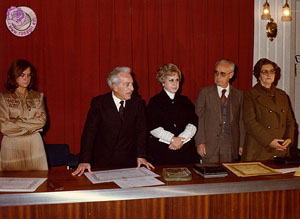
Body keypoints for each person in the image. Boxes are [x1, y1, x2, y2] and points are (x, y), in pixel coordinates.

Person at [72, 67, 154, 176]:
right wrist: (84, 160)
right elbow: (89, 133)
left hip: (129, 162)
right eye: (127, 85)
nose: (132, 88)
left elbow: (141, 132)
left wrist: (141, 155)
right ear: (115, 87)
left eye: (132, 84)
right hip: (103, 161)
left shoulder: (137, 103)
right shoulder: (99, 103)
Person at [242, 58, 295, 161]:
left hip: (281, 149)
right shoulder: (250, 95)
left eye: (272, 71)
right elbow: (250, 122)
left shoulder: (282, 95)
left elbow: (290, 121)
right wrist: (269, 141)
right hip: (259, 149)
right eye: (264, 72)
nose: (268, 74)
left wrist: (289, 138)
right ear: (258, 75)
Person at [0, 59, 48, 171]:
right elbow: (4, 126)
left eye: (28, 75)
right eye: (22, 75)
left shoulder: (38, 97)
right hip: (11, 146)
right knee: (11, 183)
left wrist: (14, 121)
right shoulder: (3, 98)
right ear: (13, 76)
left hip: (35, 145)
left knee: (39, 182)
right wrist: (31, 124)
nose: (26, 79)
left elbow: (42, 121)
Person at [194, 59, 245, 163]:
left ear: (231, 75)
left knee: (229, 176)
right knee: (209, 176)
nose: (218, 76)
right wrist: (200, 142)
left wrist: (241, 144)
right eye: (216, 72)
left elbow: (241, 121)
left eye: (222, 73)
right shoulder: (204, 92)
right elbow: (197, 118)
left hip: (230, 145)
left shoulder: (239, 95)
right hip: (209, 144)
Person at [147, 64, 198, 165]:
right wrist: (172, 139)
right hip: (163, 152)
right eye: (171, 80)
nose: (175, 84)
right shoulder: (155, 102)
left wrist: (181, 140)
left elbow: (193, 123)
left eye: (177, 80)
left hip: (186, 151)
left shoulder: (185, 101)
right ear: (163, 82)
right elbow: (153, 127)